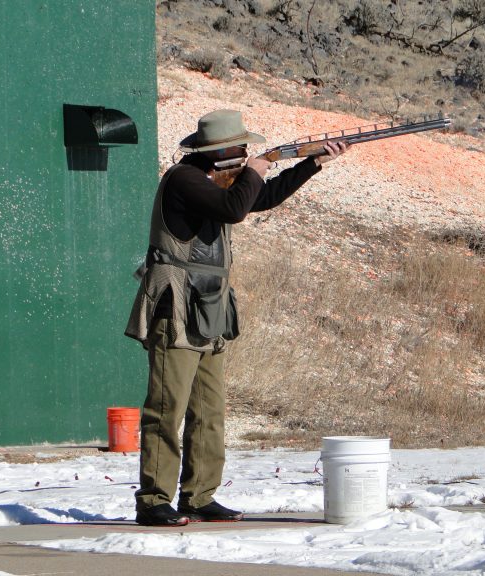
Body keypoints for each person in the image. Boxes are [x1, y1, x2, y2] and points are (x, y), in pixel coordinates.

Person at [124, 109, 348, 527]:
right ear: (218, 151)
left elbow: (258, 198)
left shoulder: (214, 181)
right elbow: (235, 209)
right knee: (166, 409)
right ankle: (153, 500)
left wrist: (312, 163)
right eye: (241, 148)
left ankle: (199, 496)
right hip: (177, 305)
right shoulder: (185, 180)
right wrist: (259, 168)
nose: (248, 152)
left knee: (210, 411)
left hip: (209, 307)